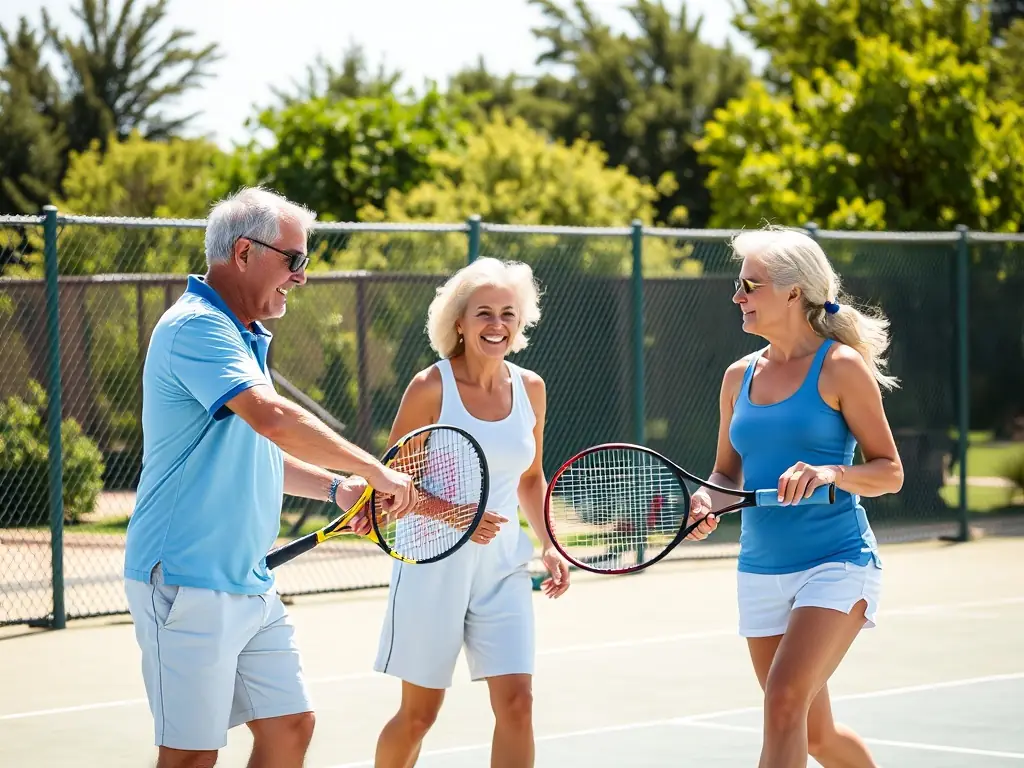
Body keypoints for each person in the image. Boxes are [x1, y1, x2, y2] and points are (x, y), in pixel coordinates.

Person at [123, 186, 415, 768]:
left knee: (289, 728)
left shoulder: (241, 335)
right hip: (185, 579)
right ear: (243, 253)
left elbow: (256, 452)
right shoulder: (196, 328)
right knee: (190, 757)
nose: (302, 276)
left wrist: (339, 489)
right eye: (294, 259)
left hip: (248, 581)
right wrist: (374, 470)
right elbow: (274, 419)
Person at [689, 226, 904, 768]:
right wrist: (705, 503)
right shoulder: (738, 376)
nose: (738, 296)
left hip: (836, 563)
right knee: (815, 734)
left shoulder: (841, 368)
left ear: (793, 292)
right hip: (759, 569)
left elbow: (890, 472)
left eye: (749, 285)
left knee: (783, 703)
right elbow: (725, 474)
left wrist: (833, 472)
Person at [371, 257, 571, 768]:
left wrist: (549, 543)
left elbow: (530, 478)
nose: (497, 325)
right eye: (484, 313)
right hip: (431, 565)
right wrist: (454, 515)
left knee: (518, 705)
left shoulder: (531, 388)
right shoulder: (429, 388)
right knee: (419, 716)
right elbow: (388, 490)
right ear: (458, 321)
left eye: (508, 313)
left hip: (503, 568)